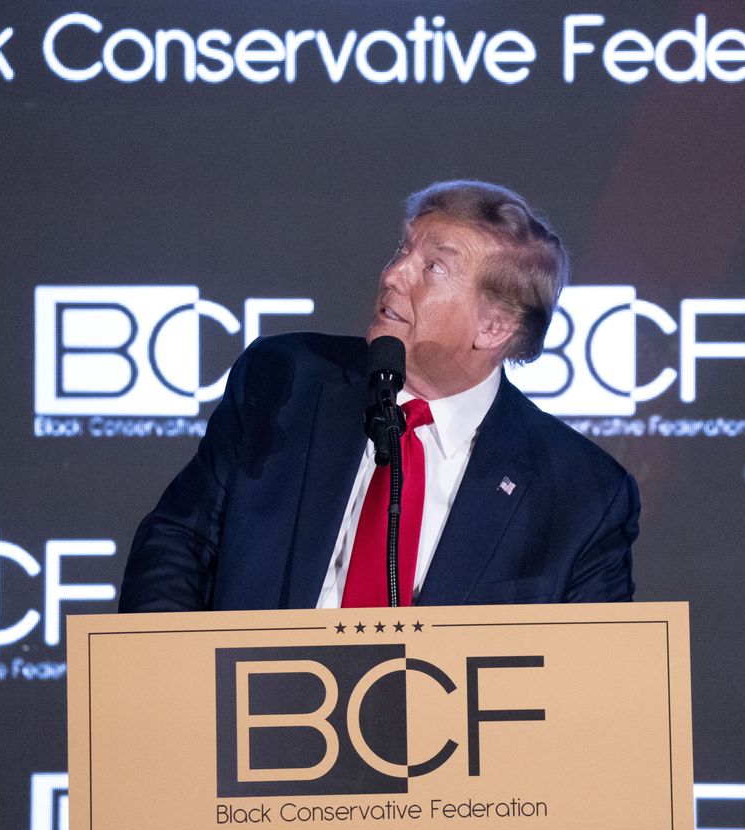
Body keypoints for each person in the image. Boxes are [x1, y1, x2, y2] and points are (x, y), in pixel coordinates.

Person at [118, 180, 639, 612]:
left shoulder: (581, 494)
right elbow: (179, 546)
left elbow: (588, 681)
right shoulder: (286, 382)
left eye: (433, 267)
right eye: (402, 250)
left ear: (494, 326)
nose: (392, 275)